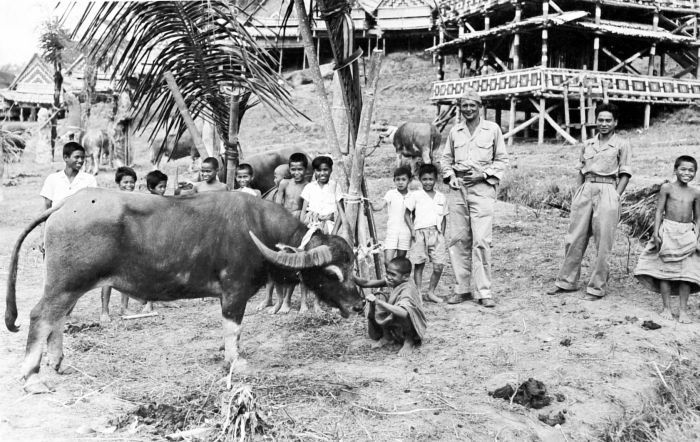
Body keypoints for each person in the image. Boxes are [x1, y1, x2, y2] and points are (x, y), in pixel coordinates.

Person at [547, 103, 632, 300]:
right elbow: (581, 170)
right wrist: (578, 194)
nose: (603, 124)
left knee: (603, 242)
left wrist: (616, 196)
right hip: (586, 189)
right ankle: (566, 281)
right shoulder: (587, 144)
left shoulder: (622, 144)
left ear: (615, 122)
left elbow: (625, 173)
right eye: (600, 120)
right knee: (574, 238)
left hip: (608, 190)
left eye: (608, 120)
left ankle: (596, 287)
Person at [441, 88, 508, 308]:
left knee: (481, 240)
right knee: (458, 239)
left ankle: (483, 291)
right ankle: (462, 289)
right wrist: (450, 177)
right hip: (458, 189)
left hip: (482, 189)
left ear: (480, 107)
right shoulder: (455, 131)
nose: (468, 109)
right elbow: (445, 160)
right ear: (460, 108)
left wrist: (484, 175)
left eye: (473, 105)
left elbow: (501, 160)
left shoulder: (492, 130)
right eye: (464, 106)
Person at [634, 156, 700, 323]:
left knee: (686, 274)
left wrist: (696, 236)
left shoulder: (695, 193)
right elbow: (659, 211)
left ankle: (683, 310)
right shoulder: (667, 188)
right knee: (665, 272)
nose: (687, 173)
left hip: (687, 234)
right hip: (669, 231)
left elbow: (698, 217)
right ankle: (666, 308)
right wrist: (656, 233)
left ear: (696, 173)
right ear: (675, 170)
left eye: (691, 170)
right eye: (683, 169)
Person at [354, 257, 427, 356]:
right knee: (380, 296)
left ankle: (409, 341)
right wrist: (349, 275)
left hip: (410, 323)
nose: (388, 277)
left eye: (393, 274)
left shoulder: (407, 289)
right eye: (388, 273)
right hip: (397, 317)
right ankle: (387, 337)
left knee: (400, 309)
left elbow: (404, 313)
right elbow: (366, 283)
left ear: (405, 277)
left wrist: (379, 303)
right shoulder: (396, 280)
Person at [405, 164, 448, 303]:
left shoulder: (441, 197)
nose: (428, 182)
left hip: (436, 234)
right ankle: (418, 292)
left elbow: (444, 218)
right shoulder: (416, 195)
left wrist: (442, 234)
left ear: (436, 179)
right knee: (419, 263)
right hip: (420, 233)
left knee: (438, 265)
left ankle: (431, 292)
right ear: (420, 179)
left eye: (431, 179)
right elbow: (407, 214)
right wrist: (412, 229)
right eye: (424, 179)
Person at [100, 167, 138, 322]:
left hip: (130, 241)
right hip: (112, 241)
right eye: (125, 182)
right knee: (107, 277)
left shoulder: (137, 199)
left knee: (127, 276)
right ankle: (104, 311)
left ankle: (124, 307)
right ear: (118, 183)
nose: (129, 185)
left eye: (132, 182)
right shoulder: (112, 199)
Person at [371, 166, 412, 264]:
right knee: (387, 261)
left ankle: (398, 279)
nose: (400, 182)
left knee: (400, 261)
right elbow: (379, 207)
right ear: (394, 180)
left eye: (403, 179)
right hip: (392, 231)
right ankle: (389, 279)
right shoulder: (391, 194)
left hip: (406, 232)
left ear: (409, 181)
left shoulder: (412, 196)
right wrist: (371, 205)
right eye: (397, 179)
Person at [40, 141, 97, 210]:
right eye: (77, 157)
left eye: (82, 158)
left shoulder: (89, 179)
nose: (80, 160)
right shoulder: (52, 179)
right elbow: (47, 205)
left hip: (80, 219)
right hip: (57, 219)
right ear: (66, 158)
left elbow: (93, 204)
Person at [300, 155, 342, 234]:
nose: (322, 173)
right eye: (318, 170)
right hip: (311, 225)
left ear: (331, 170)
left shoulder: (335, 186)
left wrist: (335, 230)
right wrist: (302, 229)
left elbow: (341, 212)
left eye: (325, 170)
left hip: (330, 226)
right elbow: (303, 211)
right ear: (314, 171)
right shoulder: (309, 187)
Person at [275, 153, 310, 220]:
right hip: (284, 217)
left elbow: (305, 209)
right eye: (293, 169)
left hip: (298, 218)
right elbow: (278, 204)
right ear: (289, 169)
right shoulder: (284, 183)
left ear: (306, 169)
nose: (296, 173)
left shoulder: (307, 186)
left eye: (300, 169)